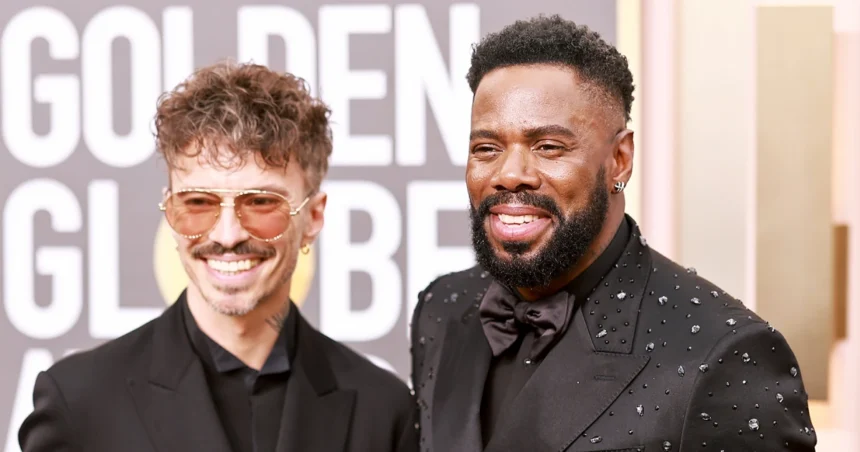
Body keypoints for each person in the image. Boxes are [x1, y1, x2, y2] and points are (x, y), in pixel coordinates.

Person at [410, 15, 817, 452]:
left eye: (548, 146)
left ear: (619, 159)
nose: (510, 174)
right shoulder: (442, 309)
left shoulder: (723, 356)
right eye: (486, 148)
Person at [19, 61, 418, 452]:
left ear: (313, 217)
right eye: (198, 202)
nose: (227, 235)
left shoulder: (382, 411)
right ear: (170, 213)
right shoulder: (81, 403)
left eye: (262, 202)